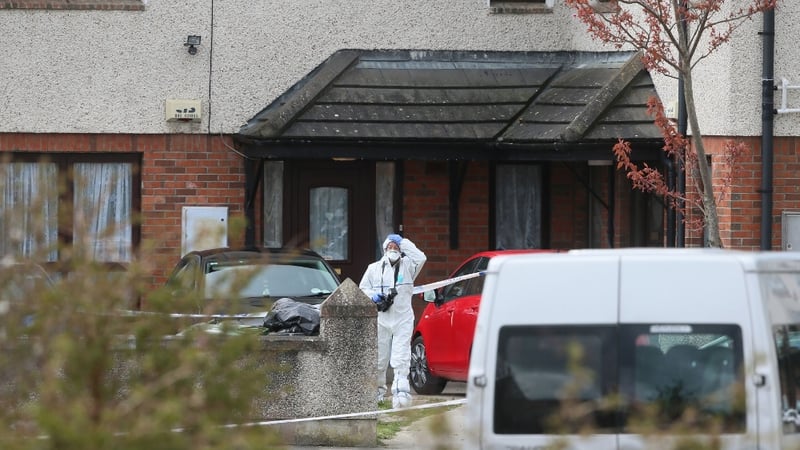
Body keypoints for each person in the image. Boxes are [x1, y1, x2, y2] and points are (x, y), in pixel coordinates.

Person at [359, 233, 426, 408]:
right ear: (384, 249)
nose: (393, 249)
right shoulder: (374, 268)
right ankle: (377, 393)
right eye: (390, 247)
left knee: (401, 356)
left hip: (403, 318)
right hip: (382, 318)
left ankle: (401, 393)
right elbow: (363, 288)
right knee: (379, 357)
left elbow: (421, 257)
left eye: (396, 247)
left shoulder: (408, 266)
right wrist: (373, 296)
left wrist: (403, 242)